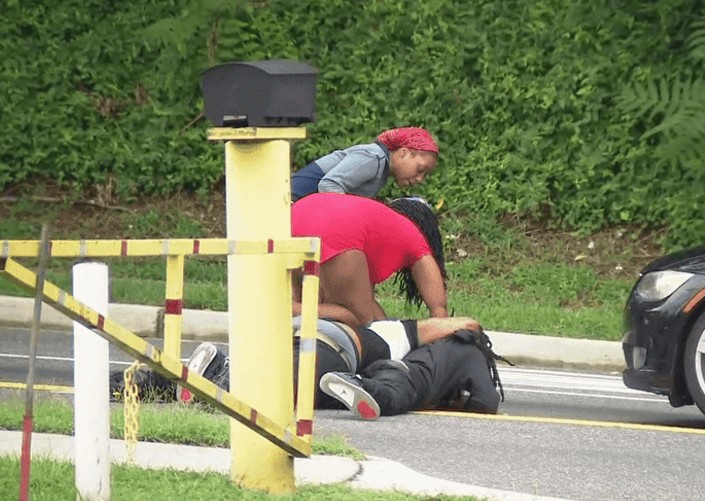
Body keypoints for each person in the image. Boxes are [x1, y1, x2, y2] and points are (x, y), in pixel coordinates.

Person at [183, 316, 483, 409]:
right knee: (288, 391)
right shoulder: (403, 334)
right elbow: (467, 322)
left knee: (278, 375)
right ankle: (221, 374)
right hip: (334, 344)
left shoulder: (379, 330)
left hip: (296, 332)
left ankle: (164, 380)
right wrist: (474, 338)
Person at [290, 194, 447, 326]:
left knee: (309, 309)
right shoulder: (414, 235)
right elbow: (438, 305)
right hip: (338, 229)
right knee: (358, 320)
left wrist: (386, 329)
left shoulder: (376, 219)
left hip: (295, 219)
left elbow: (367, 304)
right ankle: (286, 310)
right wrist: (441, 317)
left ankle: (290, 313)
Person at [318, 329, 508, 420]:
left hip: (385, 367)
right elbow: (486, 401)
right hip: (406, 380)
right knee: (391, 400)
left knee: (349, 400)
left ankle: (346, 385)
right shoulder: (472, 354)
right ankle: (357, 382)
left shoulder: (441, 345)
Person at [290, 127, 439, 200]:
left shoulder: (382, 168)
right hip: (291, 202)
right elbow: (328, 185)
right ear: (404, 153)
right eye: (420, 169)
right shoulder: (373, 158)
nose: (420, 179)